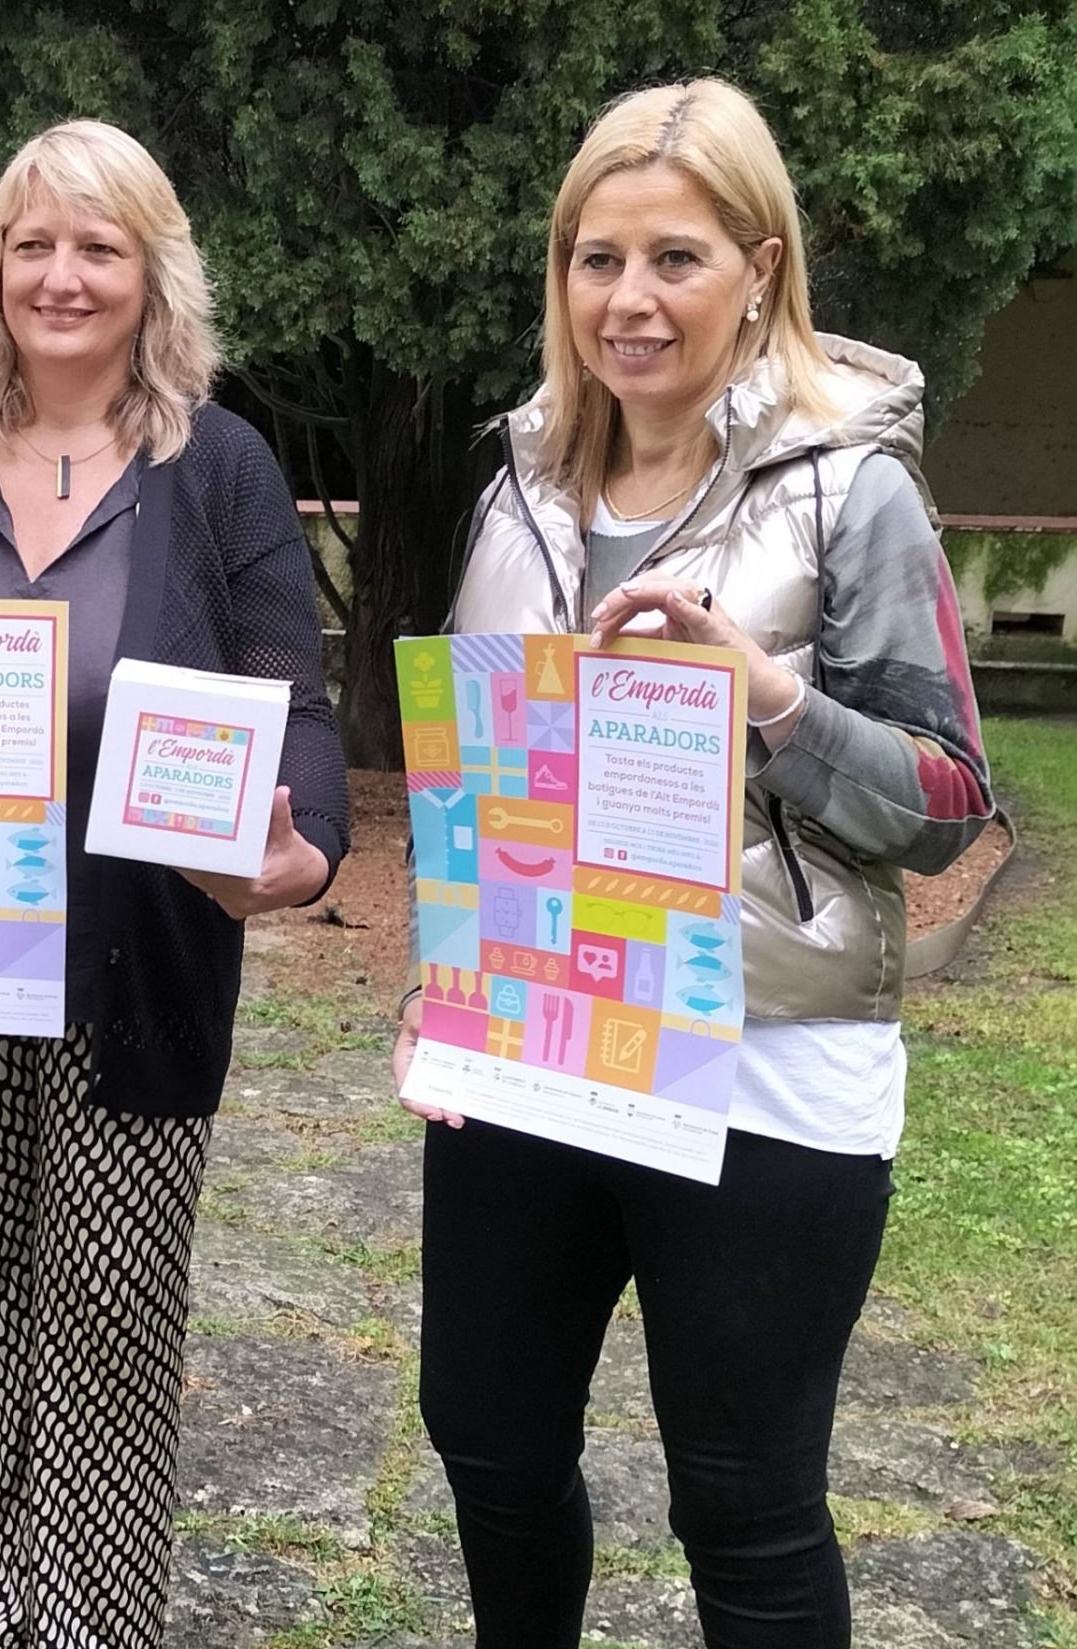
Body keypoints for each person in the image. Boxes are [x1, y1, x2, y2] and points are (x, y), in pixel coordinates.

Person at [394, 79, 994, 1648]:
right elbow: (483, 780)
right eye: (597, 259)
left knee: (744, 1500)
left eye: (676, 258)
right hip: (538, 1040)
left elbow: (948, 801)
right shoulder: (517, 489)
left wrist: (774, 699)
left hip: (764, 1064)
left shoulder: (850, 488)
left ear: (761, 266)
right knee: (488, 1438)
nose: (630, 300)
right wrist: (435, 989)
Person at [0, 120, 349, 1649]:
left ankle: (96, 1628)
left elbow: (295, 702)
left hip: (139, 962)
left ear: (151, 273)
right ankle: (4, 1606)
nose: (61, 275)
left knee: (110, 1306)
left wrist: (302, 845)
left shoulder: (219, 466)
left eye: (97, 246)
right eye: (30, 244)